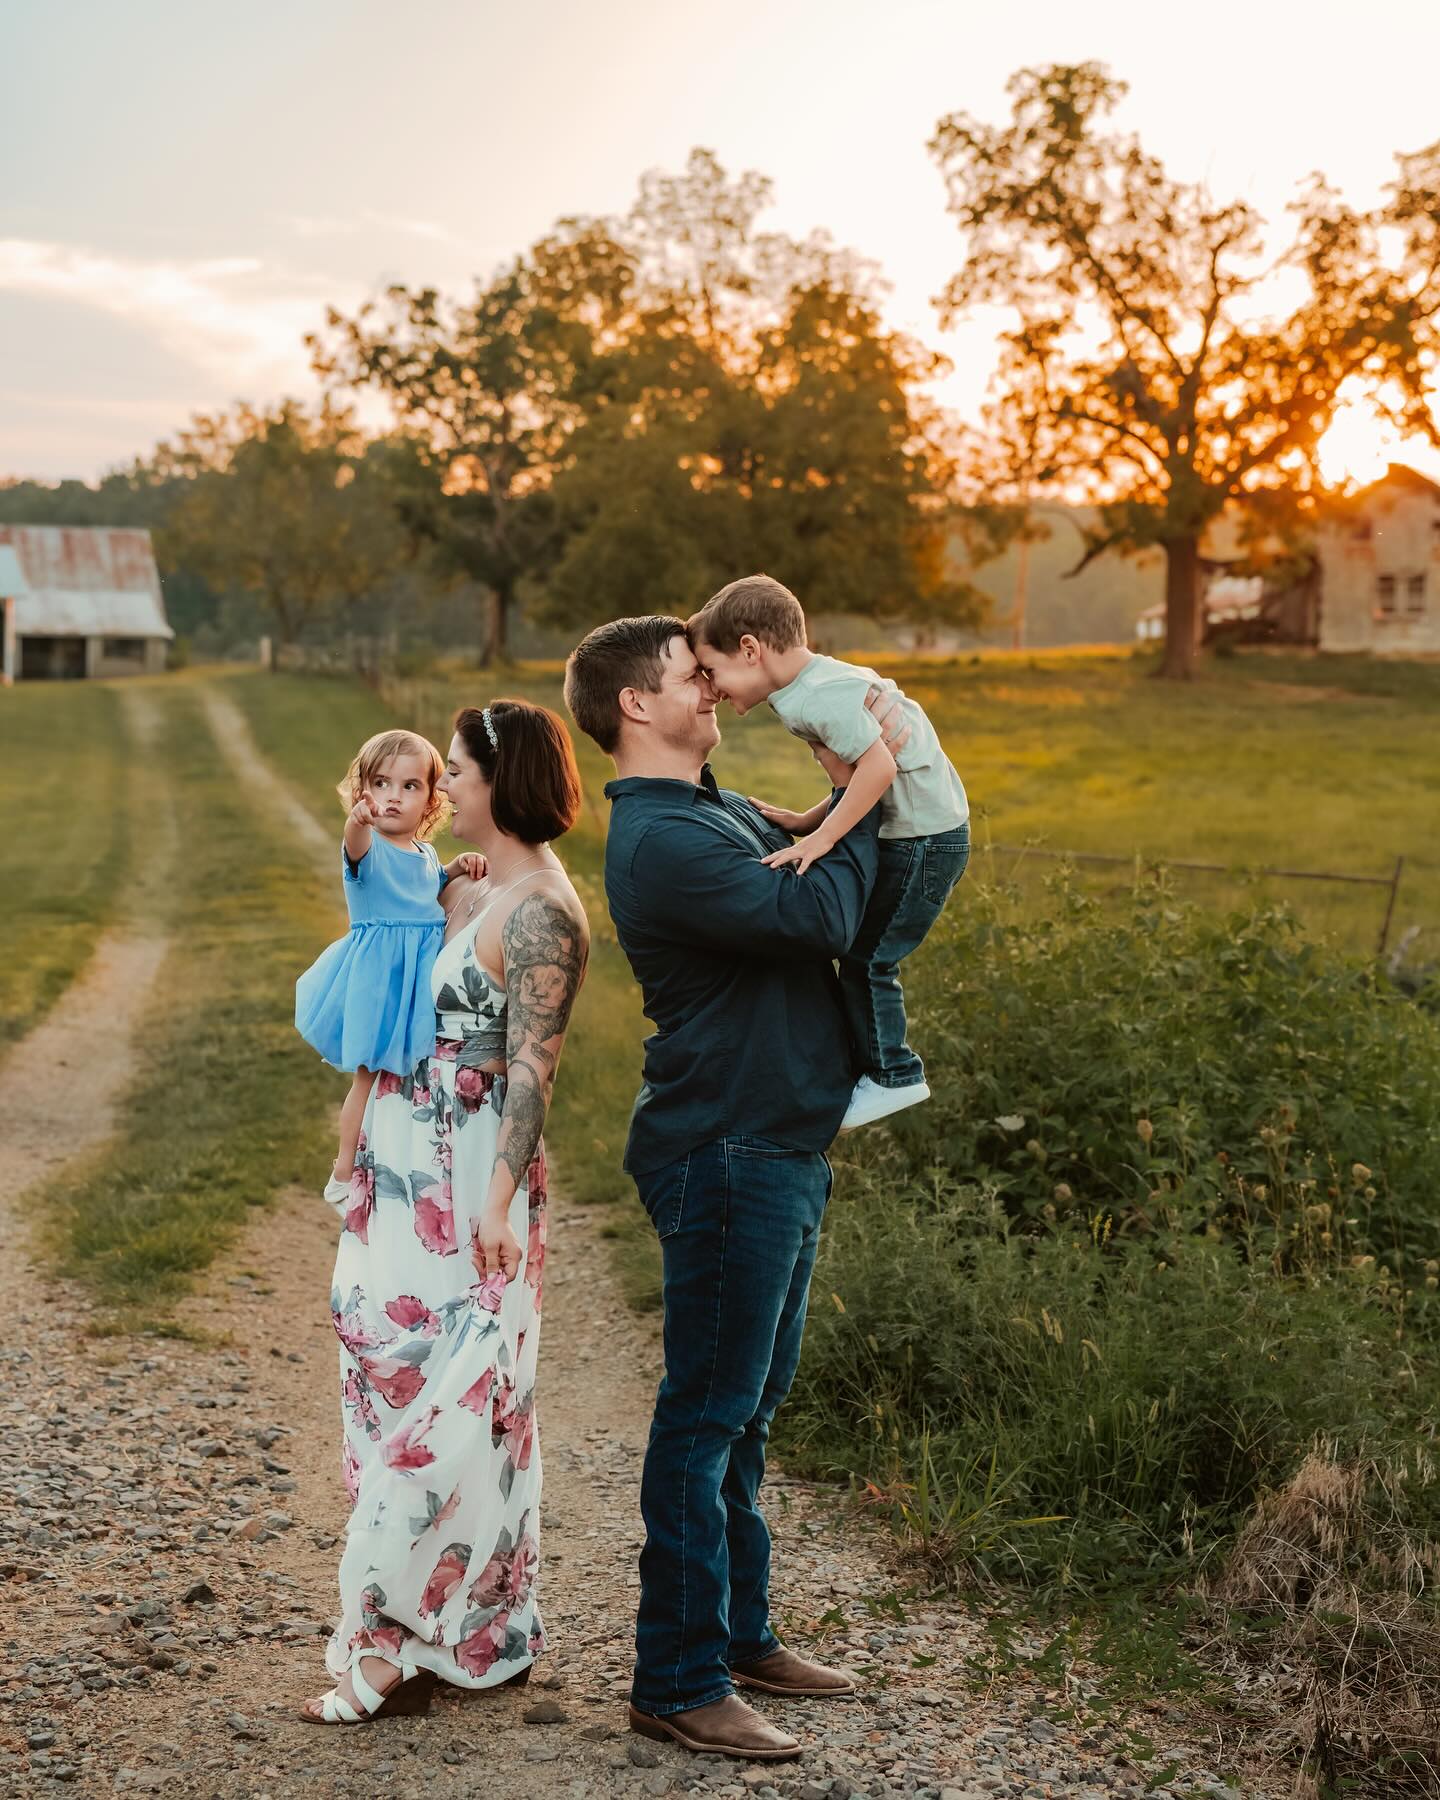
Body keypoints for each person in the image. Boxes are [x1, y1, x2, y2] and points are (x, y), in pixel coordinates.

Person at [563, 617, 904, 1765]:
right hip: (724, 1149)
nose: (710, 687)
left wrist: (836, 807)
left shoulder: (718, 806)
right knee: (705, 1415)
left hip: (780, 1140)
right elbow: (816, 914)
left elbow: (820, 881)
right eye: (686, 676)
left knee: (748, 1412)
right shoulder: (662, 841)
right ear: (631, 708)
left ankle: (742, 1635)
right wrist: (871, 776)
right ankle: (675, 1679)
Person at [302, 700, 588, 1725]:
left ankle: (407, 1640)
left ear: (498, 784)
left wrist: (503, 1202)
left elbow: (532, 1074)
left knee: (467, 1400)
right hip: (400, 1169)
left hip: (473, 1185)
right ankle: (483, 1630)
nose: (444, 785)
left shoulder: (545, 911)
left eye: (457, 771)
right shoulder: (462, 886)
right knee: (388, 1364)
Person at [689, 575, 970, 1132]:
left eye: (711, 670)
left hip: (923, 841)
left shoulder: (815, 697)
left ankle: (894, 1075)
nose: (712, 688)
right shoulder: (817, 683)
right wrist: (808, 820)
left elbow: (879, 768)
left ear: (750, 649)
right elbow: (862, 770)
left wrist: (823, 840)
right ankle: (865, 1065)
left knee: (868, 960)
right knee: (858, 953)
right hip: (922, 834)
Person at [294, 728, 483, 1206]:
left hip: (417, 977)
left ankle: (405, 1155)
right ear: (364, 791)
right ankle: (342, 1170)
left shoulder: (424, 853)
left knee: (412, 1076)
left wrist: (455, 869)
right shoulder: (368, 849)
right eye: (380, 784)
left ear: (430, 801)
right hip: (381, 981)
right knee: (369, 1075)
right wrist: (357, 821)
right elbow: (353, 843)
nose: (392, 797)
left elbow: (427, 894)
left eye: (409, 786)